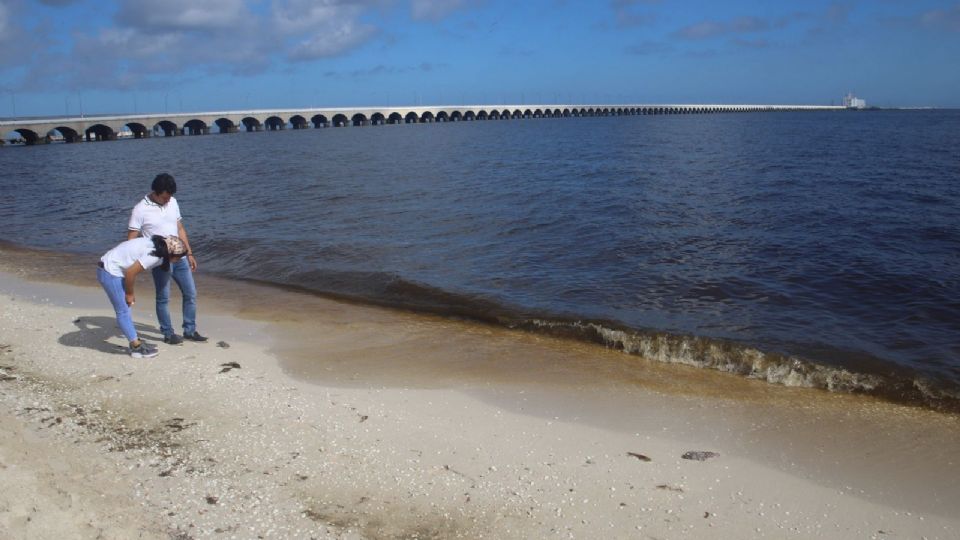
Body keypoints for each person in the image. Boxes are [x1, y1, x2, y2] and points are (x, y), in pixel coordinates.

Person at [127, 173, 208, 344]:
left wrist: (190, 253)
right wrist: (132, 265)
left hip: (180, 256)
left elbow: (180, 229)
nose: (168, 200)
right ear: (155, 192)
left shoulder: (173, 202)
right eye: (165, 197)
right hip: (160, 260)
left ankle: (190, 330)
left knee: (191, 293)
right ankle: (168, 333)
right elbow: (131, 239)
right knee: (163, 297)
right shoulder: (140, 209)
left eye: (171, 196)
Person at [98, 235, 188, 358]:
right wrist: (130, 294)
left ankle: (134, 340)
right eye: (178, 257)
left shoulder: (157, 244)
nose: (179, 260)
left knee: (126, 309)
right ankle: (136, 347)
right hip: (109, 271)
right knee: (123, 310)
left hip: (112, 266)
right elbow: (130, 273)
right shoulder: (153, 256)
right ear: (169, 253)